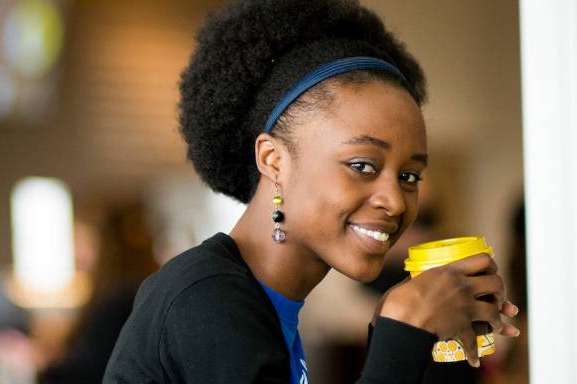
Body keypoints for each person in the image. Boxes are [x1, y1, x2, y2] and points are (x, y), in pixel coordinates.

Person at [103, 1, 520, 383]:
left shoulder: (261, 305)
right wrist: (402, 330)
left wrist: (422, 341)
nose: (395, 200)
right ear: (273, 160)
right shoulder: (206, 300)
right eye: (362, 165)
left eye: (409, 176)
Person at [40, 202, 160, 383]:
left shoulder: (118, 302)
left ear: (106, 246)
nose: (76, 253)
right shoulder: (148, 291)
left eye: (84, 241)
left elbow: (88, 372)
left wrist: (41, 366)